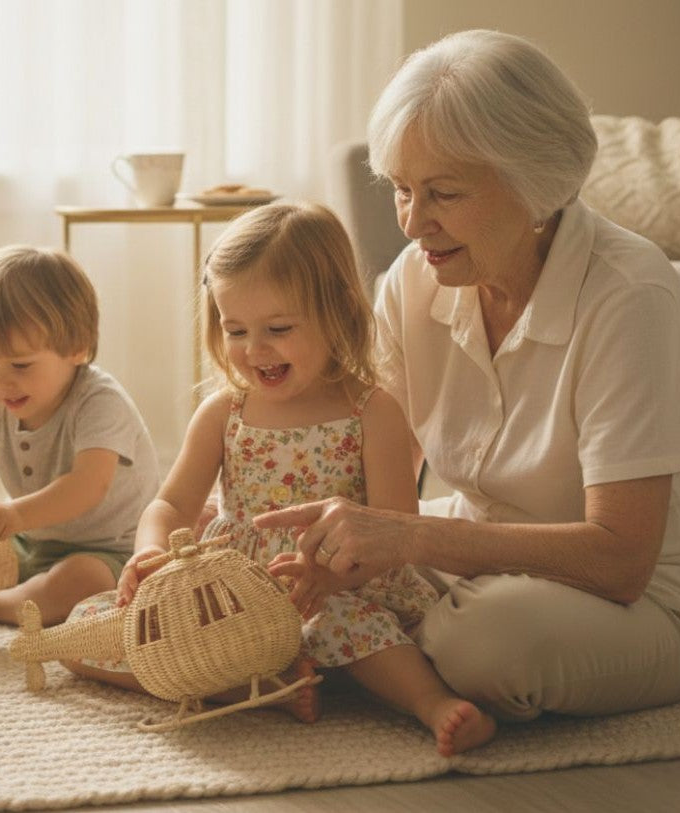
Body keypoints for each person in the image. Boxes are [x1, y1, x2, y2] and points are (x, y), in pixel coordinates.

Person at [262, 29, 680, 725]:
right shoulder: (413, 282)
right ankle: (383, 661)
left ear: (534, 182)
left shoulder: (629, 294)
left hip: (640, 605)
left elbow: (622, 559)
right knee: (273, 562)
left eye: (442, 193)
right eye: (400, 191)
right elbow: (374, 477)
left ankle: (374, 660)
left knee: (482, 641)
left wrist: (409, 540)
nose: (414, 224)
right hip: (480, 565)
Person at [65, 202, 496, 756]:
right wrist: (150, 555)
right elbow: (170, 505)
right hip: (231, 596)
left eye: (278, 328)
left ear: (337, 313)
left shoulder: (372, 411)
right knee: (87, 631)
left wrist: (333, 577)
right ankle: (252, 689)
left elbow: (397, 529)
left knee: (352, 627)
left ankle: (429, 703)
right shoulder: (225, 413)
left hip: (332, 590)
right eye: (235, 329)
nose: (253, 349)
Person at [0, 245, 160, 627]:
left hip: (109, 551)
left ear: (77, 349)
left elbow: (89, 485)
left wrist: (16, 514)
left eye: (20, 364)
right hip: (27, 542)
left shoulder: (101, 401)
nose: (0, 381)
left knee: (81, 582)